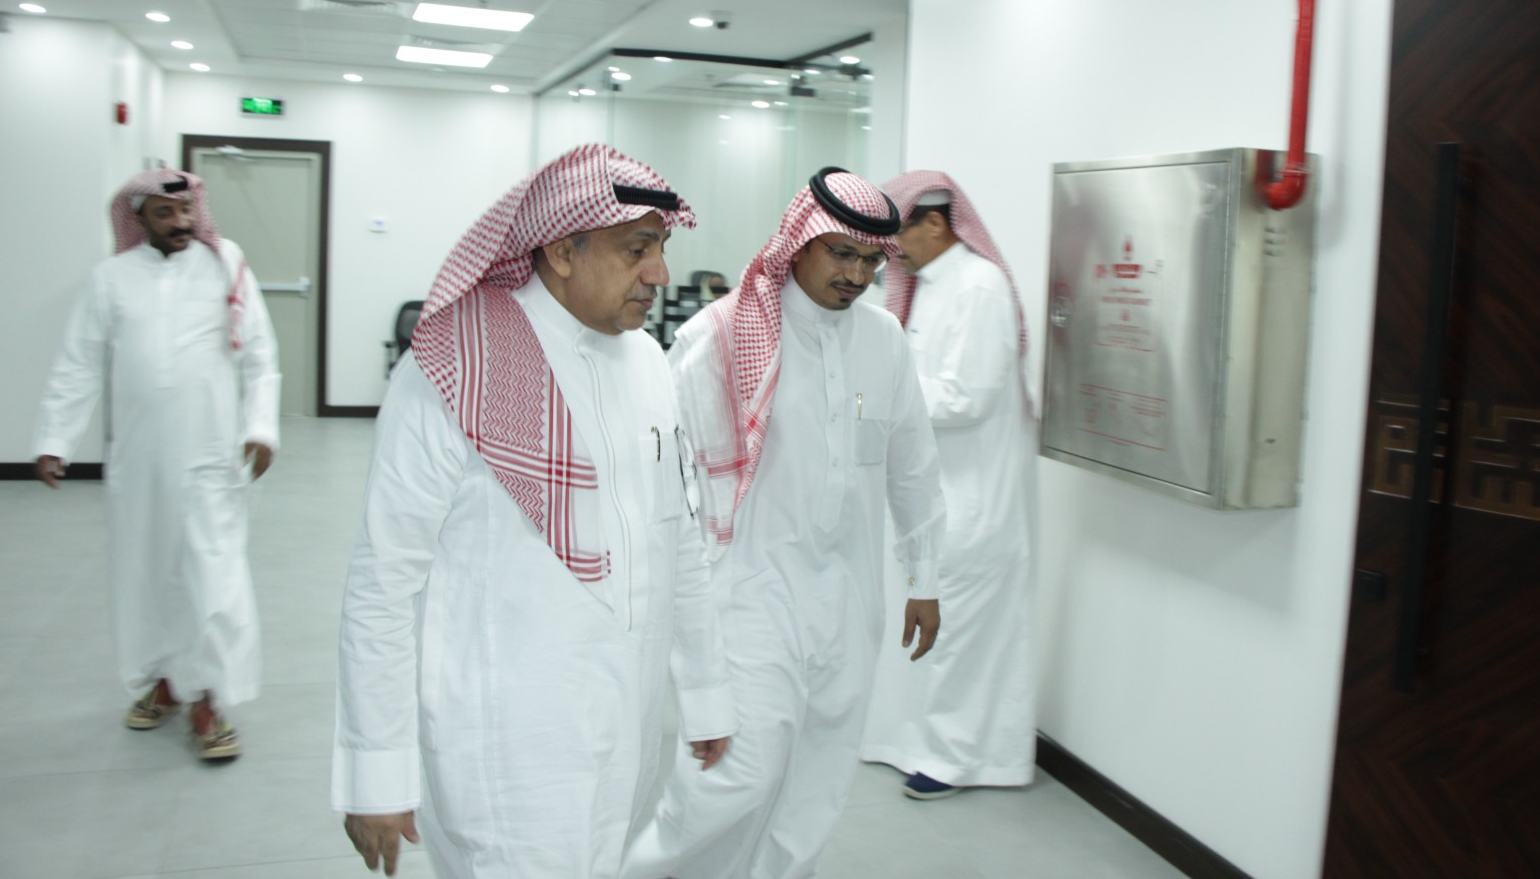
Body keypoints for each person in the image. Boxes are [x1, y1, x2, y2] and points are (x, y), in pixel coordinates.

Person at [332, 145, 736, 879]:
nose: (659, 274)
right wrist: (375, 768)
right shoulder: (457, 367)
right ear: (560, 251)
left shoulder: (648, 363)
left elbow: (677, 539)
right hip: (505, 745)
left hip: (627, 726)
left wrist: (704, 693)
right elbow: (384, 580)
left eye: (662, 248)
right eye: (637, 249)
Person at [623, 167, 948, 879]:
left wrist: (924, 578)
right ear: (799, 243)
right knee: (735, 776)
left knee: (817, 780)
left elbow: (913, 465)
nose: (856, 275)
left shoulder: (884, 339)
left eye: (871, 260)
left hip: (849, 598)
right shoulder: (719, 336)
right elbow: (666, 486)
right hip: (747, 593)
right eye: (841, 253)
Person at [32, 168, 281, 761]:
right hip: (139, 460)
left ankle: (209, 700)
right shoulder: (111, 279)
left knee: (211, 575)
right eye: (165, 213)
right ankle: (167, 680)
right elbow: (78, 361)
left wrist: (261, 427)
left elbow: (260, 354)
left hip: (211, 456)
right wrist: (55, 438)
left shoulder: (225, 264)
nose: (181, 221)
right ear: (137, 216)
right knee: (147, 574)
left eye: (187, 209)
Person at [860, 171, 1038, 799]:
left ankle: (959, 758)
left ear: (934, 223)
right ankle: (911, 742)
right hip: (935, 492)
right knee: (926, 628)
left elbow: (967, 397)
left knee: (963, 633)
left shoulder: (979, 287)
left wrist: (876, 394)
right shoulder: (934, 285)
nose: (890, 255)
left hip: (973, 498)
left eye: (897, 236)